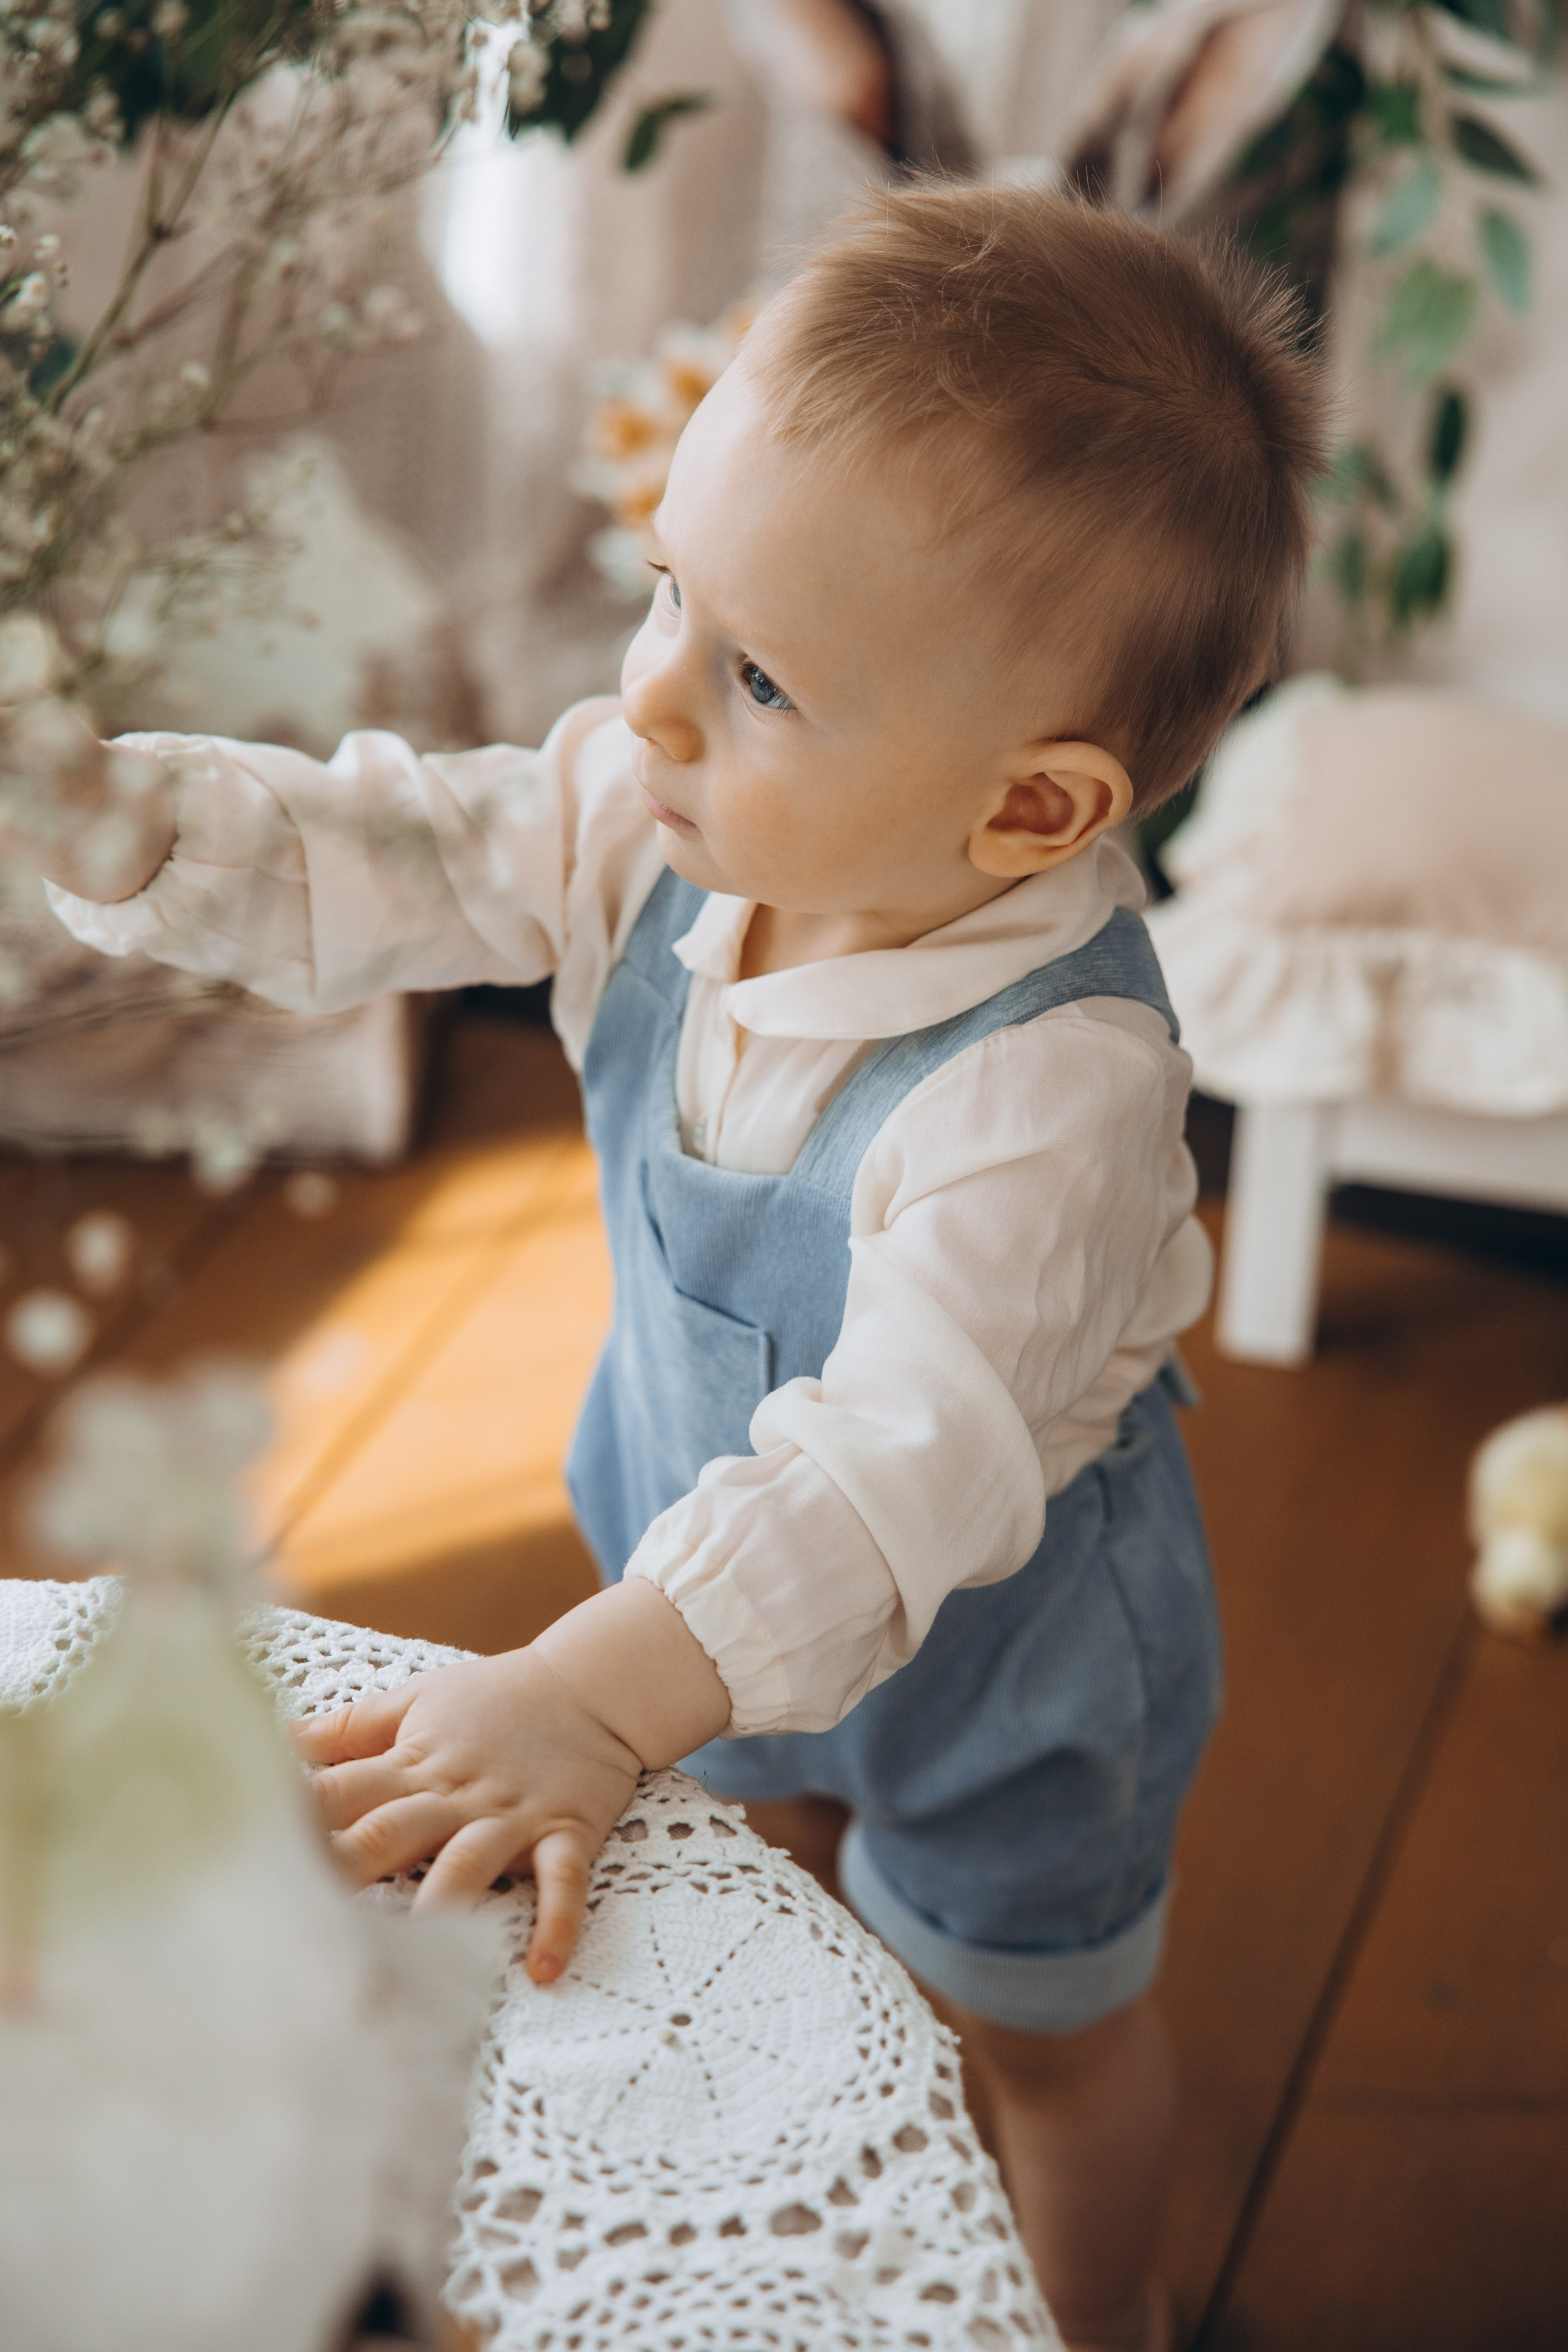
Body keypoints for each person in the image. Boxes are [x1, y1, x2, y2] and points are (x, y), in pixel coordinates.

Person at [31, 187, 1319, 2352]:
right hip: (691, 1559)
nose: (648, 697)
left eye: (759, 675)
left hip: (1005, 1668)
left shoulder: (1053, 1093)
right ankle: (776, 2163)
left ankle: (1109, 2316)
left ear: (1030, 813)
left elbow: (887, 1478)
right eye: (666, 590)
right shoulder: (659, 815)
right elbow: (405, 845)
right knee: (759, 1890)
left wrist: (586, 1696)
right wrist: (145, 833)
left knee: (1044, 2030)